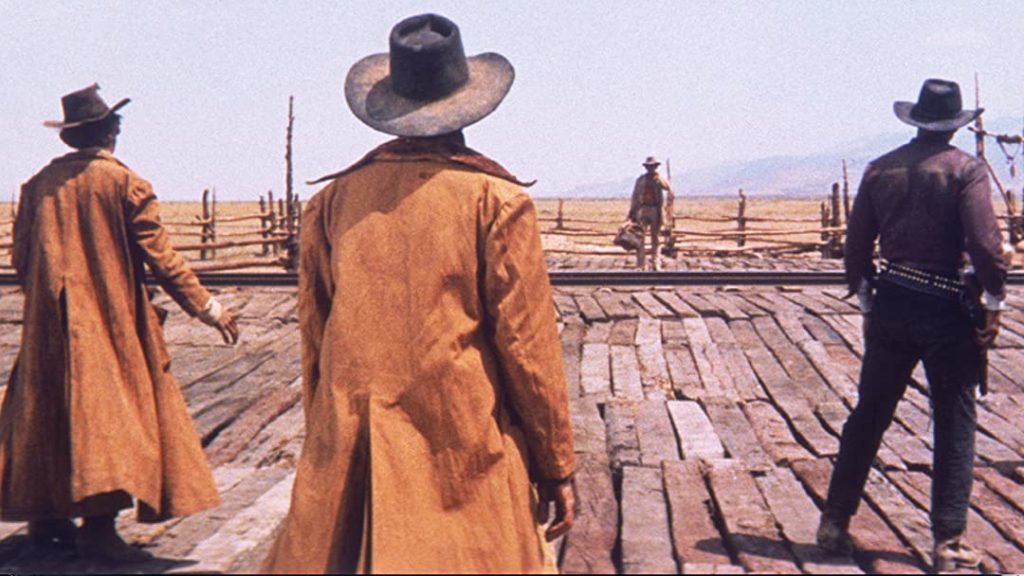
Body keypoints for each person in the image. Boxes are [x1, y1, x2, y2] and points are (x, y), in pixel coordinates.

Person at [262, 14, 576, 573]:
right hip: (460, 444)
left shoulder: (334, 201)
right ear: (468, 105)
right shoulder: (495, 200)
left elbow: (316, 332)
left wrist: (326, 442)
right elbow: (528, 349)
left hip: (354, 435)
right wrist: (555, 463)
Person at [0, 84, 240, 562]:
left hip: (48, 326)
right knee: (107, 417)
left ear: (70, 137)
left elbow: (23, 259)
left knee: (47, 411)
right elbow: (163, 260)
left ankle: (46, 518)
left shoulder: (37, 187)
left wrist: (52, 302)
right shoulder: (125, 185)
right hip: (109, 325)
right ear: (110, 132)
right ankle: (97, 526)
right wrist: (210, 309)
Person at [816, 78, 1008, 572]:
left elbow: (856, 250)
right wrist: (993, 300)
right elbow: (987, 248)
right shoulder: (966, 170)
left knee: (870, 414)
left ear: (917, 119)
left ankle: (834, 522)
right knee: (955, 420)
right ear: (954, 125)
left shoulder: (881, 169)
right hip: (947, 310)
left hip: (891, 305)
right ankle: (948, 542)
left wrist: (866, 302)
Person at [628, 156, 673, 270]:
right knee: (640, 238)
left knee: (656, 238)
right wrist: (632, 211)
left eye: (653, 167)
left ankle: (656, 263)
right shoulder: (641, 180)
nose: (651, 169)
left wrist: (658, 178)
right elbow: (635, 196)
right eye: (649, 167)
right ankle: (641, 264)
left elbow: (667, 187)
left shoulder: (658, 179)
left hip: (656, 210)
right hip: (642, 210)